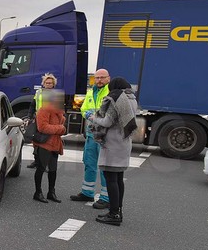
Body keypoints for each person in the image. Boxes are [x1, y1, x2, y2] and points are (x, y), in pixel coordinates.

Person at [87, 77, 138, 226]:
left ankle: (113, 214)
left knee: (110, 179)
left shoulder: (116, 99)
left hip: (113, 143)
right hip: (124, 143)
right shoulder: (132, 99)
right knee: (118, 178)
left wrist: (92, 117)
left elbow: (107, 122)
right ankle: (118, 211)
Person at [70, 68, 111, 209]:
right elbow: (83, 108)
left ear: (108, 79)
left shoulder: (109, 92)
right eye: (97, 78)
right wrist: (87, 114)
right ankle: (87, 192)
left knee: (104, 167)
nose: (99, 80)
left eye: (102, 78)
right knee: (89, 163)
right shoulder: (90, 92)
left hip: (105, 136)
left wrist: (93, 115)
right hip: (91, 134)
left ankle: (106, 197)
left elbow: (108, 114)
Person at [32, 89, 66, 203]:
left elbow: (62, 128)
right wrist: (60, 129)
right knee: (41, 169)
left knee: (53, 170)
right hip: (44, 144)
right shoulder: (43, 110)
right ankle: (38, 192)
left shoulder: (59, 112)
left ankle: (51, 192)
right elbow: (42, 127)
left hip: (55, 144)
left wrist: (61, 129)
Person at [26, 73, 57, 169]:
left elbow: (59, 112)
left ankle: (46, 164)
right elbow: (32, 105)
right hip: (38, 120)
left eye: (50, 83)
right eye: (47, 83)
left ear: (53, 84)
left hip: (49, 122)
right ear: (43, 83)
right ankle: (36, 161)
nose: (48, 85)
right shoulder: (38, 92)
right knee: (36, 141)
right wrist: (29, 117)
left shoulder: (56, 95)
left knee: (48, 143)